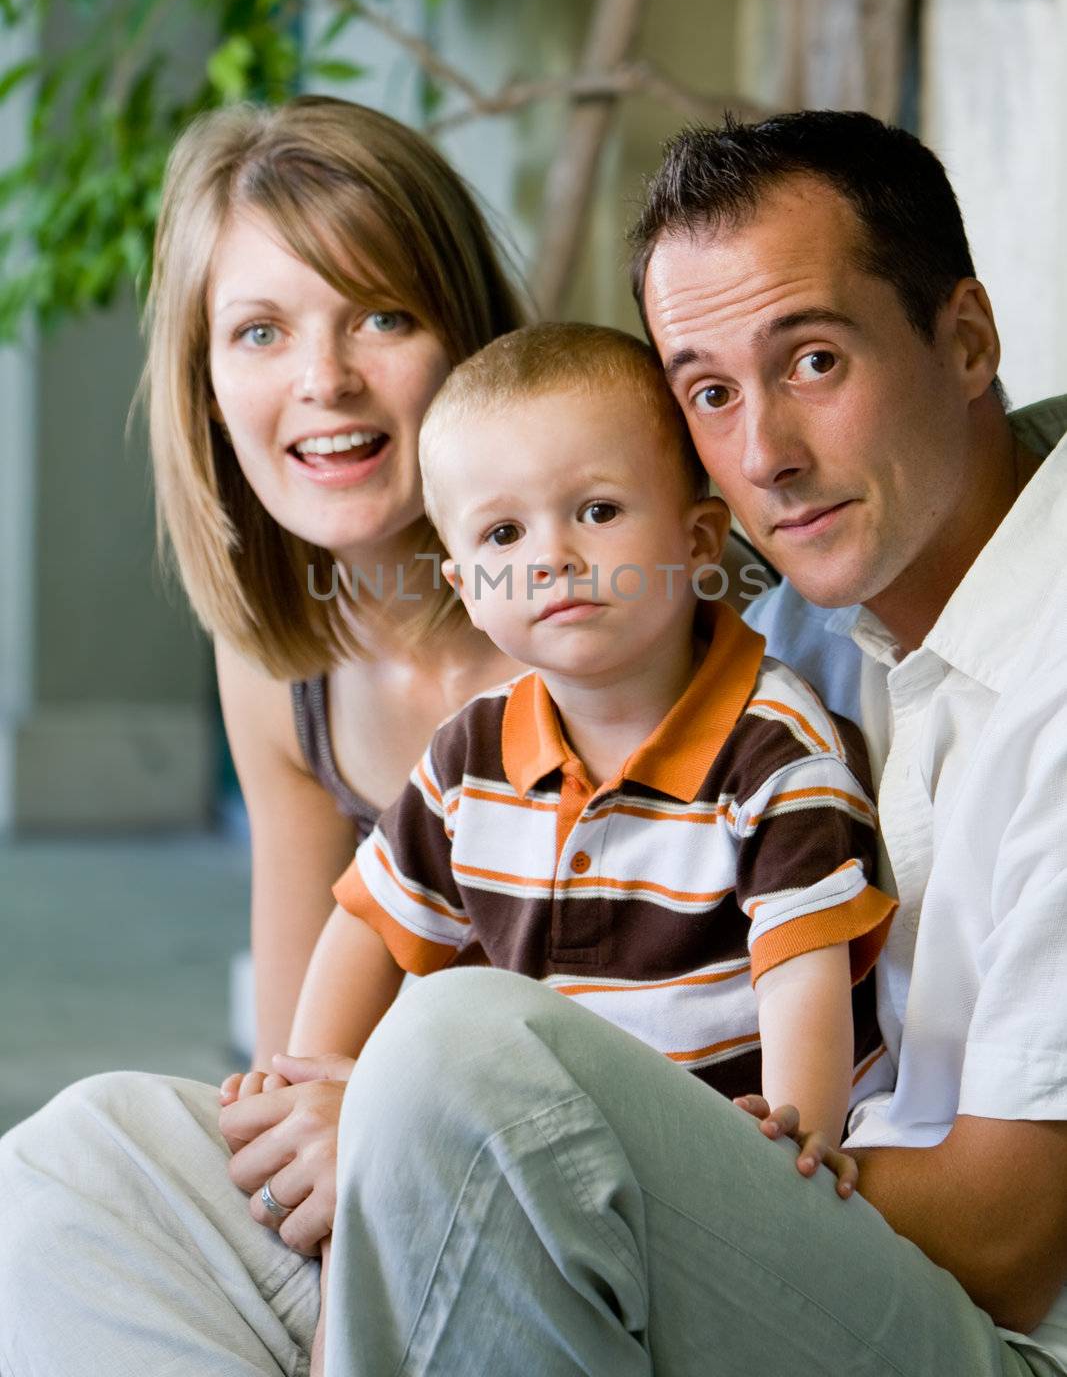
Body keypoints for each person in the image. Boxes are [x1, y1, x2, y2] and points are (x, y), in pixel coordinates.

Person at [3, 107, 1063, 1377]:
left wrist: (453, 1141)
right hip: (714, 1223)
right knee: (83, 1166)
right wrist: (380, 1130)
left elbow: (1005, 1241)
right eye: (712, 393)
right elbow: (322, 1040)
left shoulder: (886, 649)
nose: (764, 458)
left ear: (965, 340)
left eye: (815, 360)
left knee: (458, 1059)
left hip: (948, 1313)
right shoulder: (801, 608)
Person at [228, 322, 895, 1353]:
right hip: (527, 1169)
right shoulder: (470, 756)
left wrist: (793, 1141)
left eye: (596, 510)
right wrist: (306, 1078)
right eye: (500, 537)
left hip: (707, 1188)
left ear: (695, 538)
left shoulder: (775, 749)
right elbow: (368, 925)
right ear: (460, 583)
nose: (552, 558)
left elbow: (803, 970)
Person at [144, 92, 528, 1064]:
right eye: (260, 332)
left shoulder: (610, 606)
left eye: (381, 316)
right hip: (387, 1170)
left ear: (468, 344)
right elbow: (292, 1066)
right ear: (210, 392)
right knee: (72, 1144)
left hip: (634, 1163)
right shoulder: (280, 668)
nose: (324, 379)